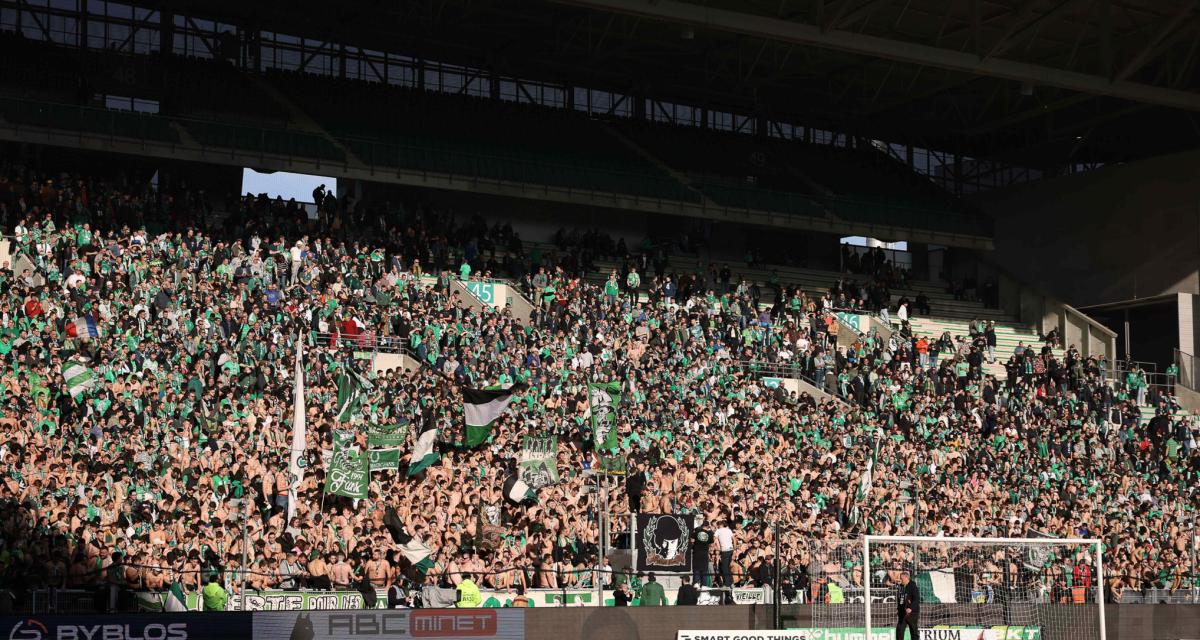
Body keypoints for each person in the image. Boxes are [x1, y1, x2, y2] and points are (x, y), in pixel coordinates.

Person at [714, 519, 735, 602]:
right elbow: (734, 539)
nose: (717, 526)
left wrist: (718, 547)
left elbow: (714, 538)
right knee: (727, 567)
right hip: (731, 550)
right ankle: (731, 582)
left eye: (718, 525)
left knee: (724, 568)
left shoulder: (718, 530)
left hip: (724, 551)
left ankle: (727, 584)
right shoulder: (729, 530)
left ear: (720, 525)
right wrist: (735, 548)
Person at [896, 571, 919, 640]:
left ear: (906, 578)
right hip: (903, 613)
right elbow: (901, 599)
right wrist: (899, 609)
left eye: (901, 578)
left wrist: (911, 608)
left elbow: (916, 599)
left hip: (912, 613)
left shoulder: (913, 586)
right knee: (899, 630)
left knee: (913, 631)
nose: (900, 580)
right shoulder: (901, 587)